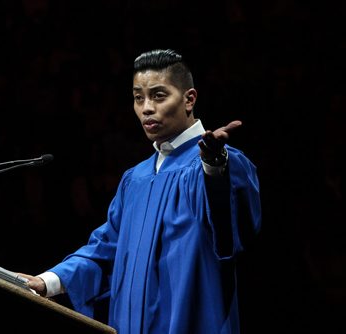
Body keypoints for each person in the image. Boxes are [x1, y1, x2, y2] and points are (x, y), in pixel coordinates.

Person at [20, 49, 262, 334]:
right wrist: (47, 281)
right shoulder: (135, 179)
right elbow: (105, 250)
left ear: (189, 99)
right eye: (138, 98)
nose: (147, 108)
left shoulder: (222, 164)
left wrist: (214, 165)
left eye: (159, 96)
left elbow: (230, 231)